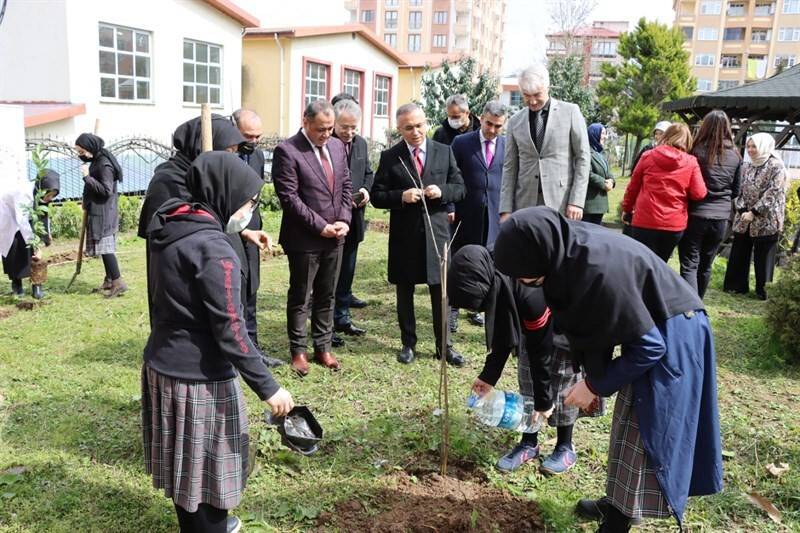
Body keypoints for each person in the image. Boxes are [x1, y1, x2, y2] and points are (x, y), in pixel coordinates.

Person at [494, 207, 722, 533]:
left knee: (642, 430)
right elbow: (593, 322)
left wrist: (595, 386)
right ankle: (617, 503)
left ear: (538, 256)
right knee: (625, 425)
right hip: (649, 329)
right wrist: (593, 378)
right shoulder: (567, 254)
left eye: (521, 273)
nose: (520, 282)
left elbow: (651, 347)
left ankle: (616, 522)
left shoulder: (596, 268)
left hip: (674, 333)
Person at [142, 151, 294, 533]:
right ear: (226, 193)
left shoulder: (172, 223)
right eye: (250, 201)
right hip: (199, 378)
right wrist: (269, 387)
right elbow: (231, 330)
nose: (250, 210)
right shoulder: (214, 250)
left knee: (185, 466)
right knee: (209, 469)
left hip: (163, 365)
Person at [449, 245, 605, 476]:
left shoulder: (527, 288)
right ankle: (529, 442)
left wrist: (544, 402)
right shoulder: (496, 273)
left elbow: (540, 350)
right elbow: (504, 327)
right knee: (528, 378)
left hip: (569, 315)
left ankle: (565, 445)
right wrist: (488, 376)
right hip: (537, 319)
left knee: (562, 381)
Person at [371, 103, 466, 366]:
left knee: (441, 292)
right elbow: (377, 196)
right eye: (409, 128)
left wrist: (443, 192)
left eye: (420, 125)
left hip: (437, 234)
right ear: (399, 129)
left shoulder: (444, 152)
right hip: (405, 235)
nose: (416, 132)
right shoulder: (391, 156)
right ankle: (408, 344)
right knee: (405, 290)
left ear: (427, 123)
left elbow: (460, 188)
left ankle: (443, 346)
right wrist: (399, 196)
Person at [272, 100, 352, 376]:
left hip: (335, 236)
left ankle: (323, 347)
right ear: (305, 122)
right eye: (321, 129)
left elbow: (345, 185)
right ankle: (299, 351)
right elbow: (289, 198)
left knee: (327, 294)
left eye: (330, 129)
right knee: (301, 296)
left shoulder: (338, 147)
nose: (326, 134)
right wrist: (320, 226)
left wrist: (344, 219)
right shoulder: (288, 151)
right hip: (304, 239)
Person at [499, 63, 590, 222]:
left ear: (547, 87)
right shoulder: (515, 121)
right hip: (525, 203)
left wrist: (576, 201)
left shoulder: (570, 112)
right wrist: (505, 209)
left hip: (561, 202)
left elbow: (583, 157)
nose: (532, 101)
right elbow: (510, 166)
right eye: (526, 95)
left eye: (537, 94)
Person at [449, 100, 508, 331]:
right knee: (459, 263)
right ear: (480, 118)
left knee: (490, 265)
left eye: (498, 126)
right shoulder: (461, 143)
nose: (492, 130)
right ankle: (452, 311)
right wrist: (450, 207)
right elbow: (451, 176)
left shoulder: (507, 145)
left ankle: (481, 309)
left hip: (496, 216)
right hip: (466, 214)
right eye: (489, 124)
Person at [678, 110, 742, 298]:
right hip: (721, 218)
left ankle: (691, 307)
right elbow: (736, 191)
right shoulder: (736, 155)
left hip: (695, 214)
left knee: (690, 263)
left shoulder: (695, 151)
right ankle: (699, 304)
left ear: (705, 126)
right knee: (706, 265)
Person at [621, 123, 707, 262]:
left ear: (666, 136)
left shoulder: (647, 156)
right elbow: (699, 193)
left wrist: (627, 209)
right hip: (673, 224)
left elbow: (633, 187)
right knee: (661, 266)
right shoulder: (691, 162)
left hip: (645, 221)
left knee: (640, 264)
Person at [723, 133, 788, 300]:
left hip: (766, 219)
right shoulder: (747, 165)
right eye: (749, 146)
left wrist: (754, 212)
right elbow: (740, 188)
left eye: (754, 147)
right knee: (739, 251)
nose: (750, 150)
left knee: (763, 256)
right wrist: (744, 209)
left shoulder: (776, 166)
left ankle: (763, 291)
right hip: (744, 217)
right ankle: (736, 287)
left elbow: (773, 193)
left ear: (764, 147)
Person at [331, 98, 374, 338]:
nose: (348, 132)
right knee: (329, 275)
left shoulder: (361, 144)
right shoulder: (326, 144)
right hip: (331, 219)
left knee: (347, 271)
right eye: (344, 127)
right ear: (334, 123)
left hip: (355, 218)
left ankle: (342, 318)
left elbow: (368, 171)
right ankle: (325, 324)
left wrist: (367, 189)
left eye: (353, 127)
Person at [232, 109, 272, 350]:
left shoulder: (257, 157)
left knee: (252, 286)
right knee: (233, 288)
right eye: (248, 136)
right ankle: (236, 346)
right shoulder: (220, 155)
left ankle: (253, 346)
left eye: (258, 136)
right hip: (228, 232)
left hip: (252, 230)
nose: (254, 142)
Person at [74, 133, 127, 297]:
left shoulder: (104, 164)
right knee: (103, 248)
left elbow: (106, 190)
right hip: (97, 210)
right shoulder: (96, 161)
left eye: (81, 151)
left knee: (106, 248)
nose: (80, 155)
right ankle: (109, 279)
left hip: (104, 213)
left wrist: (86, 177)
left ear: (90, 149)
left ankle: (118, 282)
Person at [2, 170, 59, 299]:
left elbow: (43, 215)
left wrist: (46, 234)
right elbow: (22, 222)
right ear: (42, 189)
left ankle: (36, 285)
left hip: (25, 218)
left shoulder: (42, 193)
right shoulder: (24, 194)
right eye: (49, 195)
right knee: (15, 247)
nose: (51, 198)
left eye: (53, 196)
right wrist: (36, 246)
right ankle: (17, 284)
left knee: (32, 251)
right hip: (9, 216)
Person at [583, 123, 615, 225]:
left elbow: (608, 172)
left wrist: (611, 181)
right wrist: (603, 183)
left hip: (600, 205)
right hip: (589, 205)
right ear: (594, 134)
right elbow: (586, 173)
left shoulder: (601, 153)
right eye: (603, 133)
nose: (605, 137)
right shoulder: (585, 151)